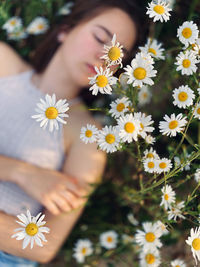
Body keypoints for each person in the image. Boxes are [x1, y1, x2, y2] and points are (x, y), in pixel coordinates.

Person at [0, 0, 144, 265]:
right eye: (100, 38)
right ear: (66, 29)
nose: (105, 57)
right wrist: (23, 173)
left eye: (117, 55)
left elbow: (43, 246)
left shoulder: (89, 139)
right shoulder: (2, 64)